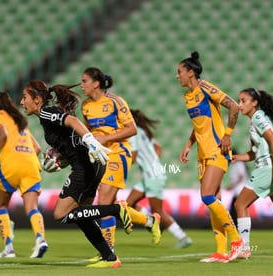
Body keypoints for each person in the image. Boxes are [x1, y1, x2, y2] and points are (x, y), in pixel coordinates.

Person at [20, 79, 132, 268]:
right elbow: (70, 140)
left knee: (61, 214)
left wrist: (91, 140)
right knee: (82, 215)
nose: (22, 102)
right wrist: (60, 158)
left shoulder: (46, 112)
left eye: (24, 98)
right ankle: (108, 256)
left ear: (37, 99)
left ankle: (117, 210)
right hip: (90, 164)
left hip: (85, 166)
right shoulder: (47, 115)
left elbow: (72, 120)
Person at [80, 67, 161, 254]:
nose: (82, 85)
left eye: (85, 81)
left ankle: (109, 253)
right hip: (99, 158)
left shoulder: (115, 102)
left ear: (96, 83)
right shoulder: (85, 106)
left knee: (103, 204)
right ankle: (150, 221)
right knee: (113, 206)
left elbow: (132, 129)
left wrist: (106, 138)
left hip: (118, 154)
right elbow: (87, 133)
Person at [177, 51, 243, 263]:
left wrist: (228, 135)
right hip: (202, 154)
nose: (177, 76)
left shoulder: (206, 87)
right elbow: (199, 125)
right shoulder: (187, 96)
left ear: (190, 72)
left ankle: (237, 241)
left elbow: (234, 106)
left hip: (218, 150)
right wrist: (188, 144)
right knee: (214, 200)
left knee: (206, 196)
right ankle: (221, 251)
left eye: (179, 72)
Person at [0, 91, 47, 258]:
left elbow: (3, 134)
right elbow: (37, 148)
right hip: (30, 164)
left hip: (11, 165)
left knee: (1, 206)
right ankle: (40, 239)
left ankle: (9, 248)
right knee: (32, 208)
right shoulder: (19, 120)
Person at [233, 88, 273, 259]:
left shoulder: (258, 117)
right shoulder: (257, 121)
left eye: (243, 101)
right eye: (239, 100)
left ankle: (244, 248)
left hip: (268, 168)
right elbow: (253, 153)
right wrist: (236, 157)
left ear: (254, 103)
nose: (240, 104)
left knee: (240, 205)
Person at [126, 109, 192, 248]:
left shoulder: (133, 134)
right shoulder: (143, 132)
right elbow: (158, 147)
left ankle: (182, 237)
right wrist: (153, 161)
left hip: (152, 176)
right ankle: (150, 221)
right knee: (127, 205)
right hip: (150, 175)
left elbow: (133, 157)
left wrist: (117, 163)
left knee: (158, 211)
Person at [227, 148, 248, 227]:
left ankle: (237, 226)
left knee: (235, 209)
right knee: (235, 209)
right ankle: (238, 226)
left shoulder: (239, 164)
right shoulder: (237, 164)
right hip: (237, 190)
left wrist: (232, 186)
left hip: (240, 190)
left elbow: (241, 176)